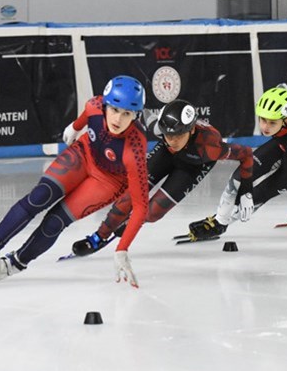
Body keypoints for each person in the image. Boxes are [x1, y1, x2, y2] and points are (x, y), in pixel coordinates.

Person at [0, 75, 150, 288]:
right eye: (114, 110)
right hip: (84, 154)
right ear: (105, 105)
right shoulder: (94, 105)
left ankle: (18, 262)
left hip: (109, 180)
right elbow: (87, 115)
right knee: (39, 196)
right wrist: (75, 127)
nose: (118, 119)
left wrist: (122, 248)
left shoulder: (134, 149)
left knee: (56, 221)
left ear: (135, 116)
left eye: (127, 114)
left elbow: (141, 206)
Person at [68, 98, 255, 255]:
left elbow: (246, 154)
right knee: (127, 197)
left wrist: (246, 191)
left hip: (194, 165)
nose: (172, 140)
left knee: (153, 212)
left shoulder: (211, 147)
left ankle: (130, 222)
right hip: (164, 155)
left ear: (190, 131)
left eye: (177, 135)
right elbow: (141, 110)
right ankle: (98, 236)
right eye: (167, 135)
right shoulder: (161, 130)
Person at [186, 86, 287, 240]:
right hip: (283, 142)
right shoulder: (286, 111)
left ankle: (225, 222)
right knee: (238, 176)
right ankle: (219, 222)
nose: (265, 127)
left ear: (285, 120)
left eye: (271, 123)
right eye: (263, 120)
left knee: (261, 193)